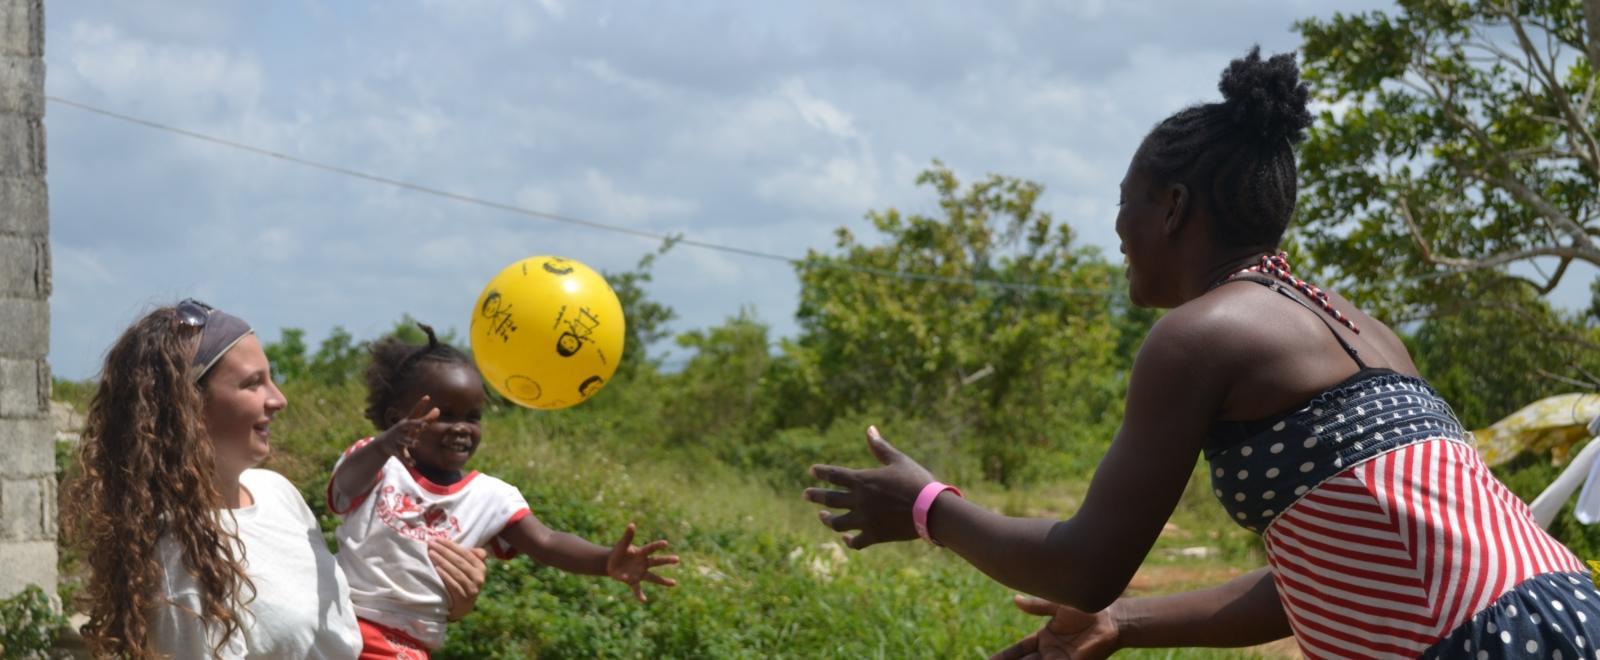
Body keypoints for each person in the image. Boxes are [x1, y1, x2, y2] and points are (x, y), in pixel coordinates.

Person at [804, 48, 1600, 659]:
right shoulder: (1360, 328)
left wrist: (925, 508)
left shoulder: (1200, 336)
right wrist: (1121, 626)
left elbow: (1085, 564)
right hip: (1562, 614)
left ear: (1173, 207)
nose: (1117, 230)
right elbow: (1321, 582)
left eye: (1126, 204)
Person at [63, 300, 490, 659]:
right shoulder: (180, 555)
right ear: (187, 407)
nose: (279, 399)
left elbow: (332, 615)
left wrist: (441, 598)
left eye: (271, 378)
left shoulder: (275, 493)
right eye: (253, 384)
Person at [327, 323, 679, 658]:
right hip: (336, 618)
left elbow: (548, 543)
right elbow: (344, 488)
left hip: (398, 643)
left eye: (473, 416)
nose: (462, 427)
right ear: (395, 420)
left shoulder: (490, 497)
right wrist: (384, 445)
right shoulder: (376, 463)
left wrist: (606, 561)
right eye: (444, 414)